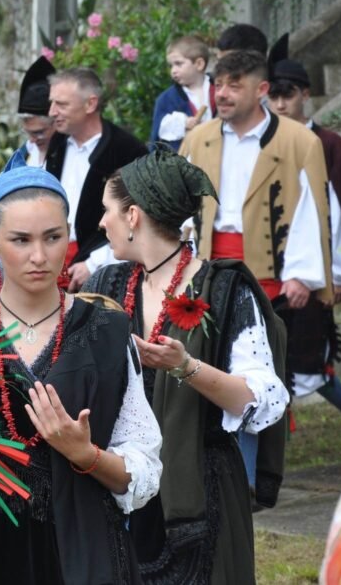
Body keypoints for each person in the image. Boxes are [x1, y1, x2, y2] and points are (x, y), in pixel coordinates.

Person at [0, 166, 163, 584]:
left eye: (52, 237)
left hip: (87, 549)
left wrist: (85, 454)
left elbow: (143, 463)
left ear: (69, 234)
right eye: (20, 240)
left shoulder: (109, 334)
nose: (39, 256)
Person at [85, 149, 289, 583]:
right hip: (119, 481)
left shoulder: (224, 289)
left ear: (134, 215)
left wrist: (187, 366)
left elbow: (265, 402)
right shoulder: (109, 284)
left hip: (203, 490)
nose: (102, 223)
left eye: (107, 211)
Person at [180, 49, 333, 494]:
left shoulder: (300, 141)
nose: (222, 94)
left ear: (262, 89)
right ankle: (211, 475)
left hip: (267, 271)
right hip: (208, 267)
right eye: (218, 84)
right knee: (208, 368)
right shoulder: (200, 139)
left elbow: (313, 209)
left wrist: (302, 273)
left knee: (256, 377)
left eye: (234, 84)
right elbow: (184, 206)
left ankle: (249, 478)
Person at [268, 57, 341, 454]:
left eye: (287, 94)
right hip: (269, 265)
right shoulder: (266, 144)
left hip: (314, 270)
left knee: (310, 357)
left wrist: (339, 273)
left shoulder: (330, 146)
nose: (280, 103)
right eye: (272, 95)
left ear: (304, 95)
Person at [45, 67, 148, 292]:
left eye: (61, 104)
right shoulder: (57, 144)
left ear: (90, 104)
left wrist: (95, 263)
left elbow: (139, 216)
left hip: (104, 271)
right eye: (52, 103)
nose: (52, 112)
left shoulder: (126, 150)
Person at [150, 35, 216, 151]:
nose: (173, 70)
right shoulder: (167, 99)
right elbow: (159, 129)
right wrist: (183, 123)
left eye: (179, 64)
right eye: (171, 65)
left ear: (199, 64)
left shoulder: (218, 89)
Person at [4, 55, 57, 170]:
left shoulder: (69, 155)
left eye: (39, 132)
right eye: (28, 132)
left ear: (57, 122)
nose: (32, 140)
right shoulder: (24, 155)